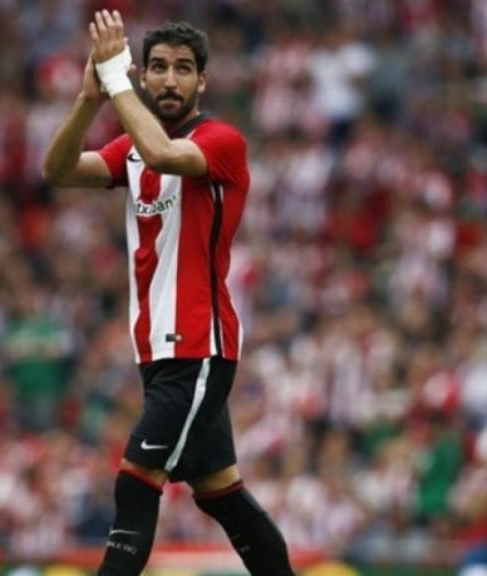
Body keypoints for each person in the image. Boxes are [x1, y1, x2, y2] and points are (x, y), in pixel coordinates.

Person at [42, 11, 295, 575]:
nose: (170, 80)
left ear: (202, 81)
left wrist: (116, 81)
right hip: (156, 353)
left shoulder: (220, 141)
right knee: (222, 496)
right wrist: (89, 100)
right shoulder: (131, 149)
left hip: (197, 348)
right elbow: (57, 170)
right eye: (157, 68)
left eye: (184, 69)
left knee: (135, 485)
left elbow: (161, 153)